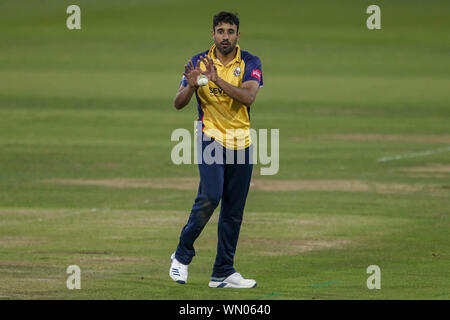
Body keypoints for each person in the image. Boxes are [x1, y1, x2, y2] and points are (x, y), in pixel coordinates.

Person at [170, 11, 263, 288]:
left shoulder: (249, 61)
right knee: (210, 195)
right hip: (210, 137)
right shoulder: (198, 61)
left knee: (234, 210)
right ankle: (181, 255)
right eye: (220, 31)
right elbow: (178, 102)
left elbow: (248, 97)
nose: (225, 36)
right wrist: (192, 84)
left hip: (242, 142)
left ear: (238, 35)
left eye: (230, 31)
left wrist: (216, 80)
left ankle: (223, 271)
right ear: (213, 34)